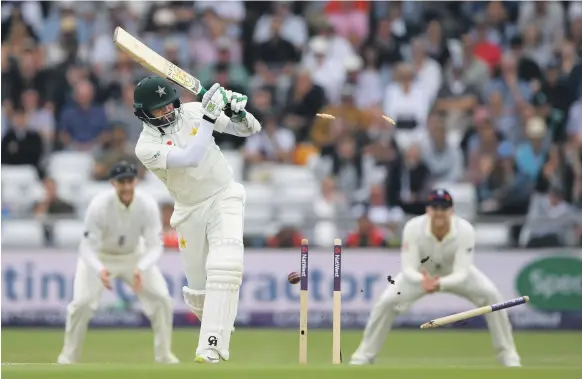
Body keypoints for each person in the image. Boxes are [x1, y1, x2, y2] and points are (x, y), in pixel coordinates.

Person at [133, 77, 262, 363]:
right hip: (189, 210)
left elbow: (249, 129)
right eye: (158, 109)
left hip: (223, 194)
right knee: (198, 293)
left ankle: (211, 348)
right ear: (144, 113)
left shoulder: (191, 112)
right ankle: (220, 322)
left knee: (226, 265)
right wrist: (210, 114)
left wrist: (238, 112)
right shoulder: (146, 146)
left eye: (169, 104)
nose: (166, 111)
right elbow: (191, 157)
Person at [350, 189, 521, 367]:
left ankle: (508, 355)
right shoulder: (413, 227)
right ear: (428, 210)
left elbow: (463, 272)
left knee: (491, 296)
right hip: (420, 276)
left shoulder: (465, 230)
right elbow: (408, 268)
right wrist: (422, 280)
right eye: (435, 207)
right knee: (386, 302)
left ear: (451, 211)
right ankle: (363, 356)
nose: (439, 212)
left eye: (443, 208)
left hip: (454, 275)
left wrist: (439, 283)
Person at [57, 161, 177, 364]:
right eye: (122, 182)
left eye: (130, 181)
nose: (127, 186)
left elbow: (155, 245)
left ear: (136, 181)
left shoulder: (147, 205)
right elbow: (86, 248)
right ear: (113, 183)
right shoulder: (99, 206)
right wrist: (100, 269)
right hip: (100, 257)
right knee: (81, 304)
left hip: (135, 257)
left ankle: (164, 356)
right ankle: (69, 357)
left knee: (162, 299)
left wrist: (141, 267)